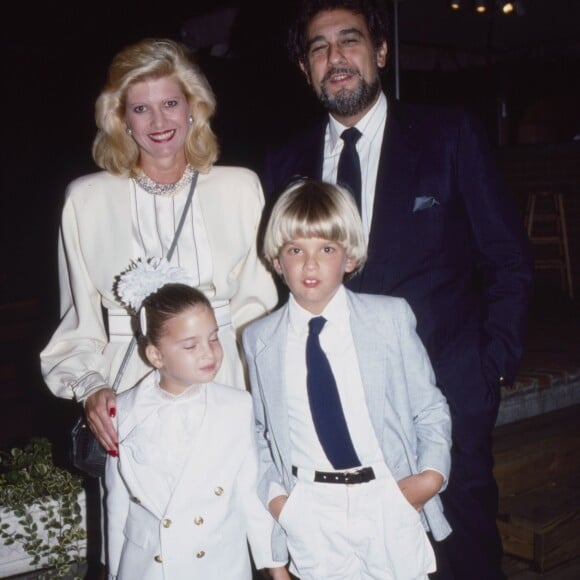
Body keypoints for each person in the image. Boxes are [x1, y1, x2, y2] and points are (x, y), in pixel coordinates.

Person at [261, 2, 534, 578]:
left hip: (444, 394)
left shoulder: (449, 135)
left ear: (380, 52)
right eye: (318, 48)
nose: (336, 58)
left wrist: (491, 371)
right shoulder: (283, 164)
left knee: (463, 553)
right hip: (330, 419)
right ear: (305, 68)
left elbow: (507, 259)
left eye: (350, 41)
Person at [40, 38, 278, 457]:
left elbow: (258, 313)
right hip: (130, 387)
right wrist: (92, 387)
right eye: (140, 108)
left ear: (193, 108)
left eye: (170, 103)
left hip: (225, 380)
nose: (158, 121)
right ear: (121, 119)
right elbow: (77, 321)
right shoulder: (85, 199)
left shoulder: (241, 188)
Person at [242, 179, 452, 579]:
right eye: (295, 250)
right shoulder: (258, 339)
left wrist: (430, 477)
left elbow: (429, 406)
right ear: (275, 260)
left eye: (326, 249)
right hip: (312, 508)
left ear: (350, 258)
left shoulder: (388, 319)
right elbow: (259, 431)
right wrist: (280, 501)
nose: (309, 264)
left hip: (387, 496)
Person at [105, 261, 290, 580]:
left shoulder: (237, 407)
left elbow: (251, 495)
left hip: (218, 566)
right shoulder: (122, 413)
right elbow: (116, 504)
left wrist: (277, 570)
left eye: (214, 338)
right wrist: (113, 571)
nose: (209, 353)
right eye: (191, 345)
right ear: (156, 356)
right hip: (148, 569)